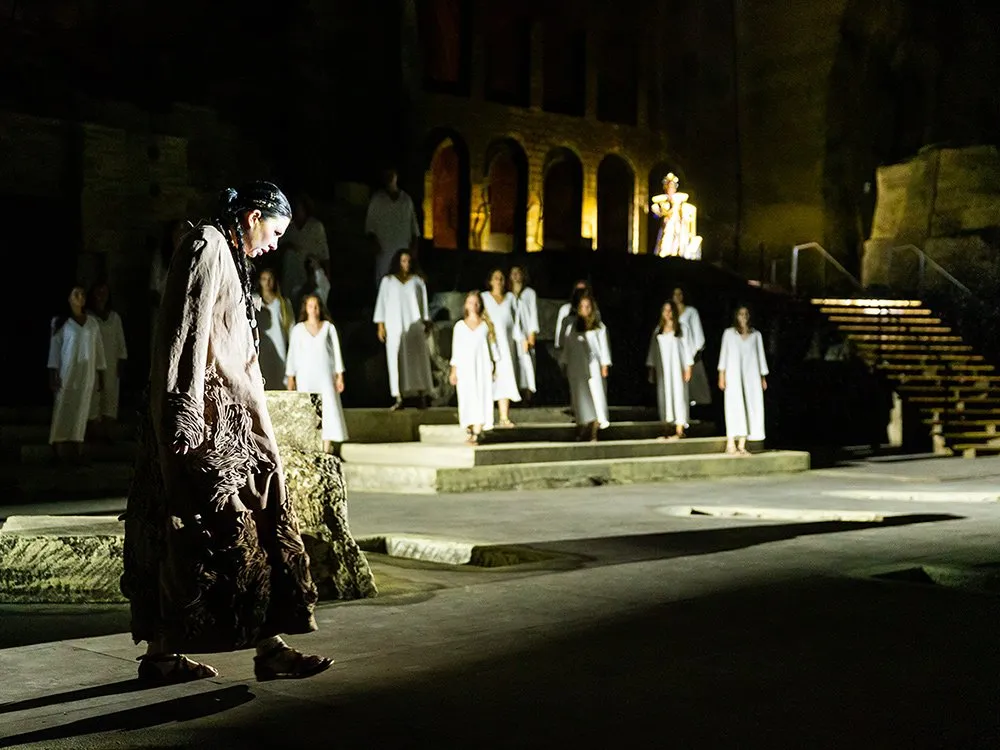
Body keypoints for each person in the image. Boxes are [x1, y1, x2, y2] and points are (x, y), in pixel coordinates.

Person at [121, 181, 332, 684]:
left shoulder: (229, 253)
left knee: (236, 530)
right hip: (214, 428)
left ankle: (246, 648)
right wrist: (184, 413)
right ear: (253, 215)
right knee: (212, 532)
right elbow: (184, 333)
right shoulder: (207, 246)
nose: (276, 244)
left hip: (236, 420)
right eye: (274, 231)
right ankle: (217, 651)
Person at [48, 285, 107, 462]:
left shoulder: (92, 323)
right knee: (63, 408)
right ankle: (59, 450)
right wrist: (53, 374)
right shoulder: (61, 322)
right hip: (67, 373)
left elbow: (99, 350)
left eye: (82, 293)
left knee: (81, 410)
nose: (80, 296)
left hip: (86, 374)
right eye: (76, 294)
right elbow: (54, 350)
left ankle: (76, 451)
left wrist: (101, 375)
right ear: (69, 298)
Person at [286, 294, 348, 457]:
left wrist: (339, 374)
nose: (313, 310)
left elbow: (336, 352)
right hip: (305, 374)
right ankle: (310, 446)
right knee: (308, 408)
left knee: (328, 406)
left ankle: (327, 448)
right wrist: (290, 377)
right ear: (305, 308)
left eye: (316, 306)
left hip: (325, 374)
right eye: (310, 306)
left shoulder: (328, 327)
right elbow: (292, 354)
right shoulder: (298, 329)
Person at [373, 249, 434, 410]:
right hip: (395, 327)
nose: (406, 264)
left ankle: (421, 394)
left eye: (408, 261)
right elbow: (382, 304)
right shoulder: (388, 281)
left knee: (417, 360)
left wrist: (426, 321)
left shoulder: (417, 281)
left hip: (414, 326)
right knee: (396, 359)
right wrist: (381, 325)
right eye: (403, 261)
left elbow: (424, 304)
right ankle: (399, 397)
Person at [560, 292, 612, 441]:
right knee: (580, 398)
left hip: (593, 367)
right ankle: (583, 428)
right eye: (582, 306)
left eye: (588, 306)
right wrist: (564, 363)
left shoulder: (599, 327)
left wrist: (604, 365)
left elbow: (604, 348)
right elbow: (568, 347)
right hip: (576, 367)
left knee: (596, 396)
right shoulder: (573, 327)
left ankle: (594, 431)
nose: (585, 309)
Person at [718, 305, 769, 456]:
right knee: (734, 406)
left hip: (751, 376)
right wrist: (722, 375)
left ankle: (742, 444)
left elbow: (760, 357)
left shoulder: (756, 335)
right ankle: (730, 442)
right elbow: (724, 355)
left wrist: (762, 377)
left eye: (746, 314)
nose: (744, 317)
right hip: (733, 376)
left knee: (750, 406)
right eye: (741, 314)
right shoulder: (729, 334)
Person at [449, 291, 498, 444]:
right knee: (467, 397)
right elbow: (456, 350)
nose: (474, 306)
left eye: (476, 303)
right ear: (466, 305)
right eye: (470, 303)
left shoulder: (485, 326)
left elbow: (492, 347)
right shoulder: (460, 326)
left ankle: (477, 432)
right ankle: (471, 429)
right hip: (465, 369)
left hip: (482, 368)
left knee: (480, 396)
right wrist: (454, 371)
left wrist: (495, 367)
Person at [646, 300, 693, 440]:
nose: (668, 313)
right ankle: (667, 429)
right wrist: (651, 369)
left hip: (677, 369)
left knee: (679, 395)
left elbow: (688, 349)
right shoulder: (658, 330)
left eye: (670, 310)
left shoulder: (682, 328)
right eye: (665, 310)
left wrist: (688, 367)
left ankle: (679, 430)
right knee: (664, 396)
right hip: (663, 370)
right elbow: (653, 352)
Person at [481, 269, 522, 427]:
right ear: (490, 281)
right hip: (489, 344)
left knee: (505, 378)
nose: (499, 281)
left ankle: (504, 416)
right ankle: (486, 417)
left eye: (501, 278)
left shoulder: (510, 298)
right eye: (496, 278)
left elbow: (516, 319)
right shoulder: (484, 297)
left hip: (506, 346)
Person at [365, 167, 420, 285]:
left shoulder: (406, 200)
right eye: (387, 174)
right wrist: (374, 244)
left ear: (397, 175)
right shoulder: (377, 200)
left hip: (403, 253)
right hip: (384, 254)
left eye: (392, 173)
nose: (389, 177)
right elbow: (369, 228)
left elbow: (414, 230)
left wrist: (413, 250)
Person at [87, 281, 128, 439]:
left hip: (111, 365)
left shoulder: (114, 317)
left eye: (104, 293)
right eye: (98, 292)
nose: (101, 296)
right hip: (93, 366)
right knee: (93, 399)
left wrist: (121, 363)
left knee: (110, 399)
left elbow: (120, 343)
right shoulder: (89, 318)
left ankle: (108, 435)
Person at [279, 193, 330, 308]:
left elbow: (324, 253)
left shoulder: (316, 227)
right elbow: (279, 249)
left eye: (300, 208)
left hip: (310, 272)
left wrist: (327, 275)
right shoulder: (288, 227)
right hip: (291, 272)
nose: (298, 212)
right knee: (291, 302)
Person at [253, 269, 295, 391]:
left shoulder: (283, 302)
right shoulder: (254, 300)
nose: (267, 282)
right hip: (261, 350)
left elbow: (291, 327)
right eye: (264, 279)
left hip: (280, 348)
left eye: (270, 279)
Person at [672, 286, 711, 407]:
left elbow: (697, 332)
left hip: (690, 352)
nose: (677, 297)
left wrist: (696, 350)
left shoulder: (691, 311)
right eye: (675, 294)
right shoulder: (670, 312)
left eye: (680, 294)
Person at [651, 173, 702, 260]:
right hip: (667, 225)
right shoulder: (662, 201)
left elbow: (685, 198)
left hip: (678, 224)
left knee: (678, 242)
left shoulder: (679, 198)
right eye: (668, 186)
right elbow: (657, 212)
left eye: (672, 186)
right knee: (665, 242)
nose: (670, 188)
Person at [509, 266, 539, 403]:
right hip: (512, 335)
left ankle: (528, 395)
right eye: (513, 273)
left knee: (527, 364)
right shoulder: (507, 294)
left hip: (526, 334)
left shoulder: (530, 293)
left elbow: (533, 313)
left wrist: (532, 333)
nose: (515, 276)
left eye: (518, 273)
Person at [553, 279, 590, 350]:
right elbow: (559, 337)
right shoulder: (565, 309)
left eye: (583, 291)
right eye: (578, 291)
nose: (580, 294)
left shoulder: (594, 311)